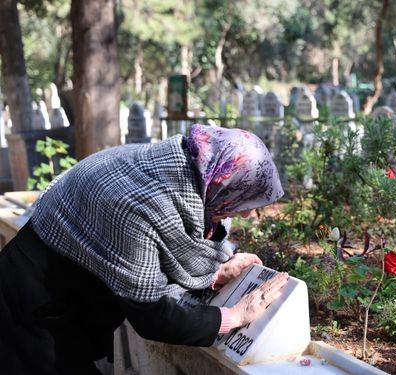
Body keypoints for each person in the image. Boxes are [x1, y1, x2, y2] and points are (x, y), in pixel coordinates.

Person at [0, 124, 288, 375]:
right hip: (31, 309)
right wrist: (235, 316)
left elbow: (158, 253)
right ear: (221, 181)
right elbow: (152, 316)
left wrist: (214, 273)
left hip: (47, 294)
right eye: (244, 200)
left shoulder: (169, 170)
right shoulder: (138, 206)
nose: (247, 215)